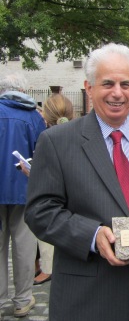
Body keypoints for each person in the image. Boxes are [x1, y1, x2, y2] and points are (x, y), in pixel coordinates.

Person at [24, 43, 129, 321]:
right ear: (89, 87)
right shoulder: (57, 142)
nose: (117, 92)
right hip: (83, 299)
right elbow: (40, 211)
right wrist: (92, 236)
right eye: (107, 83)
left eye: (125, 84)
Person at [0, 73, 46, 317]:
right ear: (22, 90)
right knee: (24, 247)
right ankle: (22, 299)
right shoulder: (31, 115)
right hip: (24, 189)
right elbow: (43, 153)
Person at [19, 93, 74, 286]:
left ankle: (48, 269)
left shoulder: (48, 139)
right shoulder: (82, 136)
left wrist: (30, 173)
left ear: (46, 117)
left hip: (58, 208)